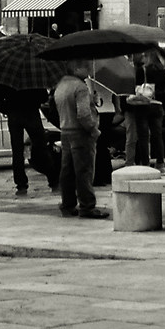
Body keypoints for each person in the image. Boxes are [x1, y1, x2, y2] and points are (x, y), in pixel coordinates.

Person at [51, 61, 106, 218]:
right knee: (84, 171)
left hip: (66, 131)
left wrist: (91, 100)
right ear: (76, 68)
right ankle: (87, 206)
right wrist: (93, 129)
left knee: (67, 170)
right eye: (86, 67)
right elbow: (83, 114)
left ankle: (67, 204)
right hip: (81, 134)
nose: (89, 70)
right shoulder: (80, 87)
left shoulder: (61, 84)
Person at [121, 51, 165, 170]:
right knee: (157, 136)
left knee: (143, 137)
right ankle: (161, 164)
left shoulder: (140, 71)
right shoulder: (163, 71)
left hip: (142, 106)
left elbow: (134, 88)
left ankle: (145, 164)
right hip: (158, 106)